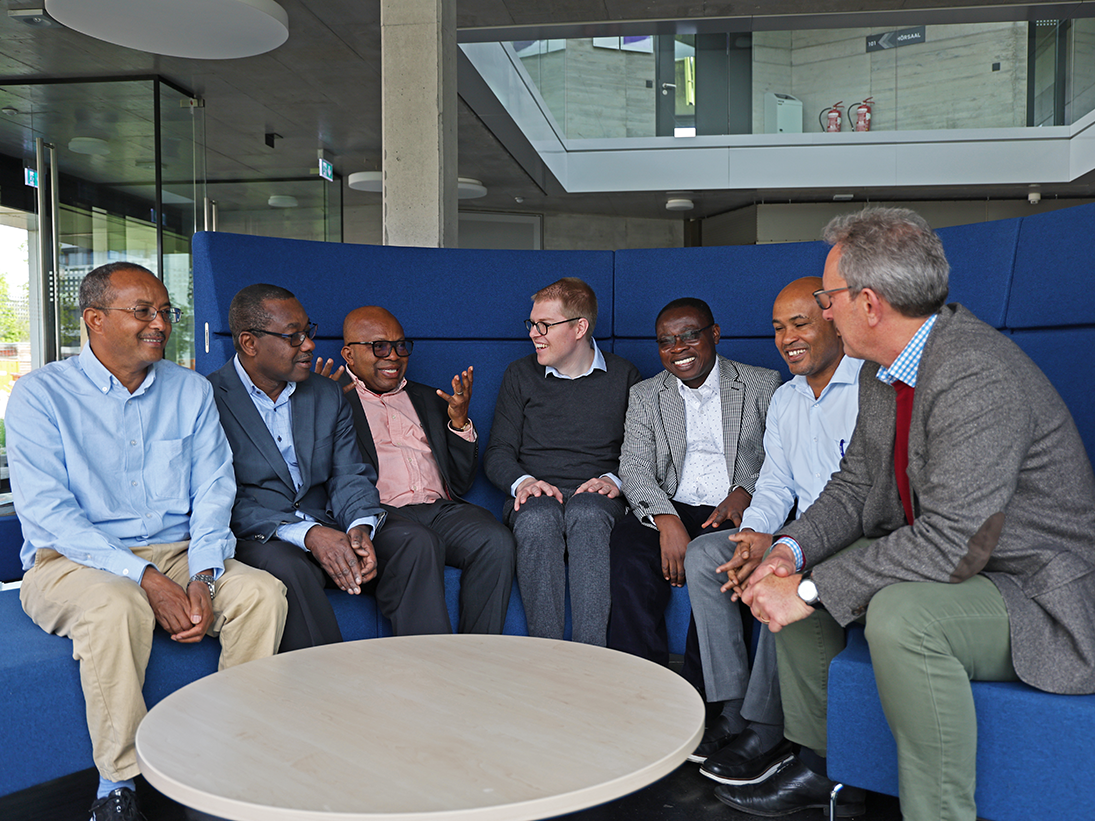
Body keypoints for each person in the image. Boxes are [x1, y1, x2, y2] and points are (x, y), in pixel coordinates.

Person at [720, 208, 1095, 821]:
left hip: (1029, 586)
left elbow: (954, 540)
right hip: (960, 558)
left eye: (828, 298)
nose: (824, 311)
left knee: (901, 616)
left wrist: (810, 590)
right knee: (799, 571)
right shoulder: (881, 368)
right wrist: (789, 552)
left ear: (868, 303)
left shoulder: (977, 373)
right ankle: (826, 767)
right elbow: (853, 486)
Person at [8, 263, 287, 821]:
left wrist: (205, 573)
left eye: (165, 311)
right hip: (70, 560)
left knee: (262, 594)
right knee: (116, 606)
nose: (160, 323)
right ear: (94, 319)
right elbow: (51, 516)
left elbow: (214, 489)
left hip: (179, 553)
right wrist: (145, 579)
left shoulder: (190, 390)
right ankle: (118, 785)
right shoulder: (40, 395)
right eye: (143, 311)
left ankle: (231, 757)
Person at [684, 277, 861, 790]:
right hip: (795, 527)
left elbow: (862, 500)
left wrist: (779, 547)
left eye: (800, 324)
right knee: (706, 555)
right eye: (779, 328)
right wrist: (753, 535)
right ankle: (733, 708)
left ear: (833, 320)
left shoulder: (869, 388)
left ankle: (767, 727)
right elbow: (775, 483)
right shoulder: (786, 399)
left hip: (847, 535)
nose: (787, 339)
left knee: (777, 570)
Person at [209, 284, 452, 652]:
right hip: (264, 535)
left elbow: (349, 473)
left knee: (415, 542)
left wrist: (359, 527)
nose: (309, 344)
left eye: (308, 331)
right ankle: (327, 683)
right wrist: (307, 534)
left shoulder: (325, 392)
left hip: (332, 520)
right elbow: (222, 497)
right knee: (288, 568)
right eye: (293, 336)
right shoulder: (209, 399)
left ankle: (427, 669)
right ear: (249, 343)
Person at [607, 298, 781, 686]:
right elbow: (634, 466)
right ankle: (636, 684)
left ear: (714, 334)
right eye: (666, 341)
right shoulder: (646, 394)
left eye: (689, 335)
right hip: (672, 502)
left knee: (719, 561)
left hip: (731, 507)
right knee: (628, 548)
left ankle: (703, 697)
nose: (678, 348)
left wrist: (745, 491)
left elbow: (780, 458)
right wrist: (666, 520)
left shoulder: (761, 384)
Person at [319, 306, 515, 634]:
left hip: (439, 511)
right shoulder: (332, 399)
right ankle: (429, 659)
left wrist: (459, 424)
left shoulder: (429, 398)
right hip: (380, 515)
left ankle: (479, 652)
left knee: (496, 540)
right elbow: (314, 474)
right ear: (349, 355)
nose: (393, 356)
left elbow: (461, 482)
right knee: (420, 542)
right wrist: (317, 411)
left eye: (400, 346)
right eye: (379, 346)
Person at [484, 277, 640, 645]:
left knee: (588, 514)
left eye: (545, 325)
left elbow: (641, 451)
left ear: (579, 328)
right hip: (536, 492)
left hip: (597, 494)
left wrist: (614, 480)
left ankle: (590, 655)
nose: (533, 334)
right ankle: (547, 656)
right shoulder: (520, 375)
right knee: (538, 518)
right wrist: (523, 482)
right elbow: (498, 451)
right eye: (532, 324)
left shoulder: (624, 376)